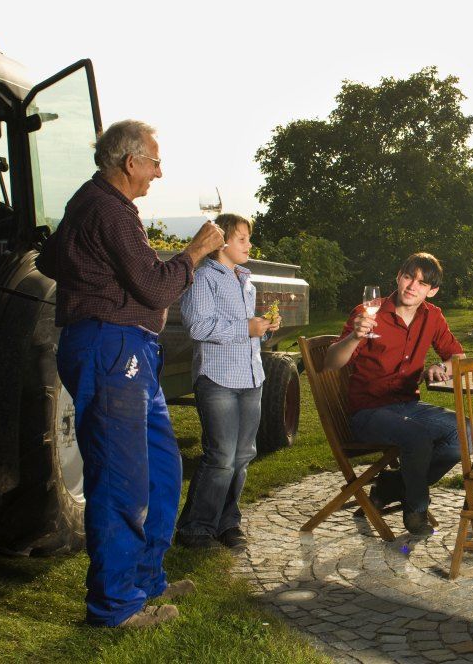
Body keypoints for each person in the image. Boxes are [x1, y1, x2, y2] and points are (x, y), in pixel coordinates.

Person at [34, 120, 226, 628]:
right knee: (121, 480)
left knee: (163, 468)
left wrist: (101, 281)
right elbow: (157, 288)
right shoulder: (109, 211)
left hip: (128, 349)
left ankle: (145, 578)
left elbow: (54, 259)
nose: (159, 172)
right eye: (155, 162)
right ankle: (115, 605)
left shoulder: (92, 204)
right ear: (130, 162)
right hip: (111, 347)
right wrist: (194, 252)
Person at [323, 253, 464, 536]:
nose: (413, 286)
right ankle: (416, 510)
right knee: (418, 438)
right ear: (399, 276)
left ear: (431, 291)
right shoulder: (368, 312)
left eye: (422, 283)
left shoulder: (432, 316)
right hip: (368, 412)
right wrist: (354, 337)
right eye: (409, 277)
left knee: (466, 434)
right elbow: (330, 363)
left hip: (408, 406)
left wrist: (441, 366)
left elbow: (457, 356)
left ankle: (391, 485)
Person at [175, 214, 281, 550]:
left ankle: (227, 523)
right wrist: (245, 328)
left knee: (242, 455)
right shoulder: (203, 277)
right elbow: (198, 328)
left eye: (248, 239)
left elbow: (245, 333)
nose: (249, 245)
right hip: (217, 379)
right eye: (242, 239)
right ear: (222, 242)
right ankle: (195, 529)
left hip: (251, 377)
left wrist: (262, 330)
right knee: (220, 456)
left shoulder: (246, 281)